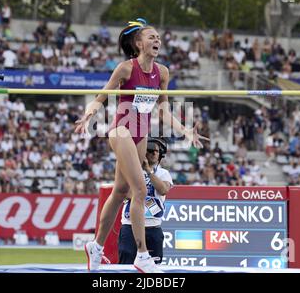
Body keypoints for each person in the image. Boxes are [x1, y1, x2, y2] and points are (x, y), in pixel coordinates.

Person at [75, 18, 208, 273]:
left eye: (158, 38)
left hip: (141, 134)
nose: (157, 41)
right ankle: (143, 255)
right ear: (138, 43)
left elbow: (163, 112)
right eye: (151, 37)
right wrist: (89, 116)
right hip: (121, 131)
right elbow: (101, 96)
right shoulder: (126, 69)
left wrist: (184, 130)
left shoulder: (163, 73)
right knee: (139, 190)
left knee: (119, 191)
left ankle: (96, 247)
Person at [118, 137, 173, 265]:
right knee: (126, 265)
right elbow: (126, 193)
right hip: (129, 226)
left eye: (157, 151)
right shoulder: (130, 171)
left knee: (153, 267)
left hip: (152, 227)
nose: (154, 153)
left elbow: (163, 189)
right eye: (150, 150)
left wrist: (148, 171)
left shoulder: (164, 173)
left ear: (160, 155)